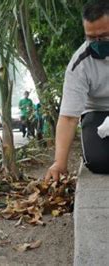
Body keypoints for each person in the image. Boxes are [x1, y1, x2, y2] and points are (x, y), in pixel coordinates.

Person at [45, 0, 109, 180]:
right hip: (97, 112)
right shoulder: (80, 64)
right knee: (99, 161)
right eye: (91, 37)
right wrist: (59, 163)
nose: (97, 42)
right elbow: (68, 117)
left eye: (104, 37)